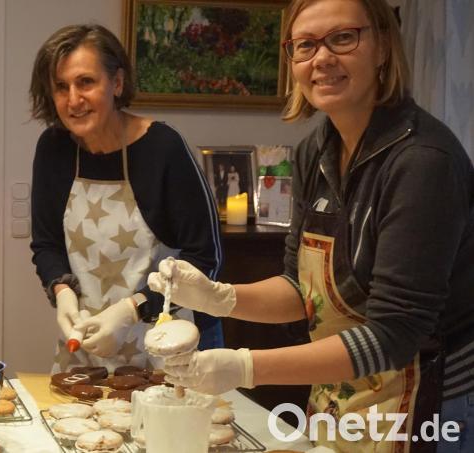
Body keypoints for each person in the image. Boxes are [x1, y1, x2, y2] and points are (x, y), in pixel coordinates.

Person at [149, 0, 474, 451]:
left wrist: (246, 366)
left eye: (342, 38)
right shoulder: (313, 152)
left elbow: (395, 334)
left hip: (428, 403)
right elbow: (302, 290)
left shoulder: (422, 163)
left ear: (382, 46)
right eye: (305, 45)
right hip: (346, 393)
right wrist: (220, 296)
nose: (321, 59)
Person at [28, 24, 223, 373]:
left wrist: (131, 309)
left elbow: (206, 257)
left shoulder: (163, 148)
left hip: (168, 341)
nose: (73, 100)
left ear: (116, 83)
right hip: (85, 343)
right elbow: (46, 244)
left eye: (86, 82)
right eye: (61, 87)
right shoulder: (53, 149)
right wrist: (62, 291)